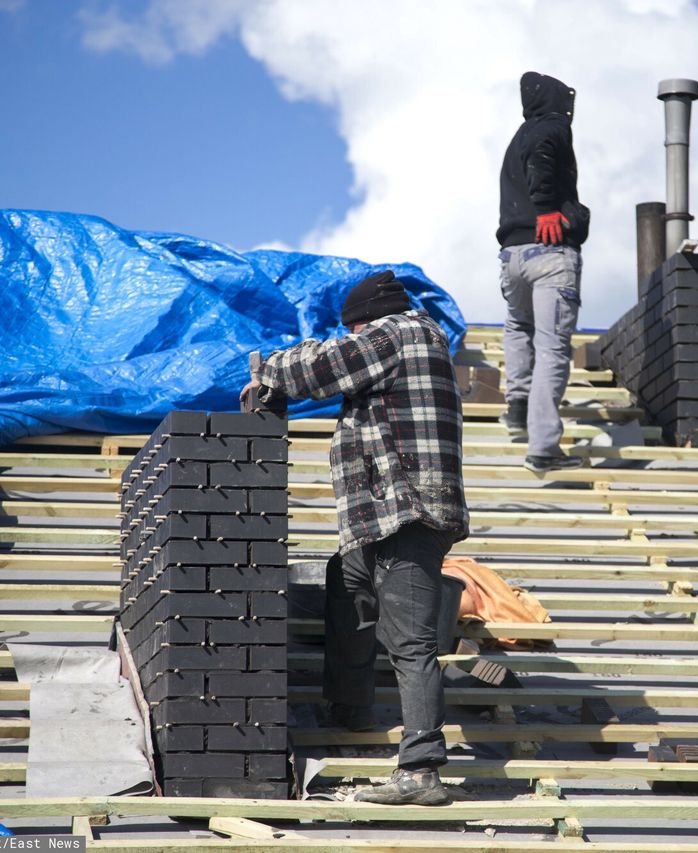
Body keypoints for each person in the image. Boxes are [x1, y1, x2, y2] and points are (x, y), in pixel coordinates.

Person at [240, 270, 469, 806]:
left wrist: (266, 371)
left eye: (354, 331)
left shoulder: (398, 334)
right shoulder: (408, 344)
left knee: (411, 643)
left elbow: (317, 370)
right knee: (345, 584)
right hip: (382, 519)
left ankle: (421, 771)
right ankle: (349, 710)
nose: (353, 340)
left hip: (408, 515)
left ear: (365, 323)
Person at [497, 71, 590, 474]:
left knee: (519, 326)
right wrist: (549, 206)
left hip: (513, 256)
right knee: (552, 347)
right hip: (549, 251)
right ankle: (544, 448)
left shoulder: (515, 137)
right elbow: (544, 153)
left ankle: (517, 408)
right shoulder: (549, 128)